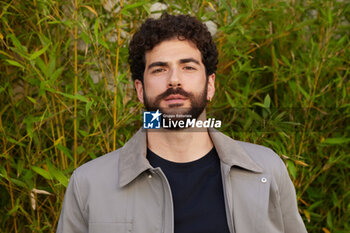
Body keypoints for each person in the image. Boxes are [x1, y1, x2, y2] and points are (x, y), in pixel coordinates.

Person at [57, 13, 307, 233]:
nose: (174, 80)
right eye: (159, 69)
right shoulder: (89, 184)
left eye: (188, 67)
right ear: (140, 90)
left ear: (210, 85)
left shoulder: (266, 170)